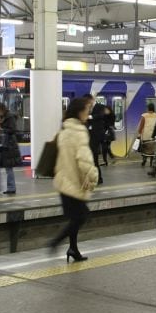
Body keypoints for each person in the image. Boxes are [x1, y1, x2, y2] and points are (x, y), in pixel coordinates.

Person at [47, 97, 99, 262]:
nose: (88, 113)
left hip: (63, 181)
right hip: (74, 182)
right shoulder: (79, 132)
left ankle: (73, 249)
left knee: (76, 216)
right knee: (82, 216)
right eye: (86, 110)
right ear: (79, 111)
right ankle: (56, 241)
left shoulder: (64, 130)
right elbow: (84, 160)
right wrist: (93, 176)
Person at [0, 102, 19, 194]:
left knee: (8, 167)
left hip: (8, 145)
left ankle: (11, 188)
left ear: (2, 109)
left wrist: (1, 129)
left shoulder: (10, 117)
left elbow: (13, 130)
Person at [88, 96, 107, 184]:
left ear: (92, 100)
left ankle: (99, 178)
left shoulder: (100, 106)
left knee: (94, 159)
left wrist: (91, 117)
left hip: (97, 137)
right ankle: (95, 178)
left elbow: (101, 115)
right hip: (90, 136)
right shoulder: (88, 108)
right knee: (92, 159)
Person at [136, 104, 156, 168]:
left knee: (145, 149)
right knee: (153, 149)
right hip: (154, 135)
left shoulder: (144, 116)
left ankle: (144, 160)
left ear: (148, 108)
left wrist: (139, 134)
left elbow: (141, 126)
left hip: (145, 135)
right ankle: (151, 163)